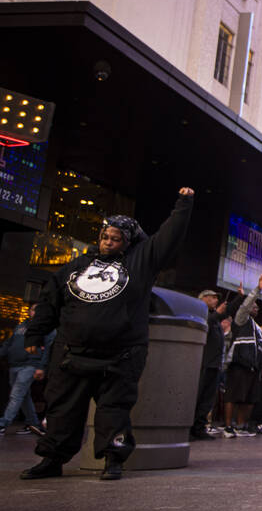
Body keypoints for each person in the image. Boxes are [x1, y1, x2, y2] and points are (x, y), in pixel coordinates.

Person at [20, 188, 194, 480]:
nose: (108, 243)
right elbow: (52, 300)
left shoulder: (141, 261)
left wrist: (184, 204)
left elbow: (169, 236)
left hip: (120, 355)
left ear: (127, 241)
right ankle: (52, 460)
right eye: (105, 237)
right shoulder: (77, 266)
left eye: (116, 239)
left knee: (114, 410)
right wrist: (35, 336)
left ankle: (113, 460)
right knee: (63, 409)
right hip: (71, 353)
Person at [224, 276, 262, 438]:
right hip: (239, 363)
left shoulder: (256, 326)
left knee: (248, 398)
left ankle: (240, 425)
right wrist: (257, 290)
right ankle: (227, 426)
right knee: (233, 395)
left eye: (258, 307)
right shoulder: (241, 319)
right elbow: (245, 305)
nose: (256, 308)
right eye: (254, 305)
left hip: (253, 367)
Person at [1, 303, 54, 436]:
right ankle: (33, 423)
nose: (35, 313)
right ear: (29, 312)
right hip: (14, 365)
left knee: (16, 395)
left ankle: (3, 423)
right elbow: (8, 343)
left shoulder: (46, 329)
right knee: (23, 396)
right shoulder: (21, 326)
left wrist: (41, 367)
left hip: (30, 365)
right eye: (33, 310)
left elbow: (48, 350)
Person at [189, 291, 228, 440]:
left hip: (215, 364)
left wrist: (241, 297)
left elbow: (228, 312)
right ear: (203, 298)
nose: (216, 300)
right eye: (212, 297)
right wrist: (217, 313)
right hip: (203, 362)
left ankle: (199, 428)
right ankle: (190, 428)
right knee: (198, 396)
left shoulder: (216, 317)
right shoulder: (199, 312)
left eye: (217, 297)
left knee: (207, 399)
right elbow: (208, 322)